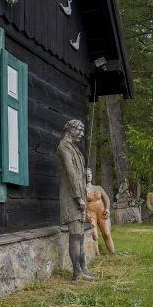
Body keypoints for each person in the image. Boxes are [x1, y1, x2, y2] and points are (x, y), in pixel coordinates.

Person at [56, 120, 96, 281]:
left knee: (80, 235)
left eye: (82, 130)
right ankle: (77, 273)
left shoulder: (74, 149)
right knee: (75, 235)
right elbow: (71, 176)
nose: (81, 133)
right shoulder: (64, 148)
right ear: (70, 130)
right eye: (79, 130)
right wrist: (79, 198)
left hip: (79, 197)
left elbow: (77, 174)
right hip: (72, 198)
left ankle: (83, 268)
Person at [85, 168, 115, 254]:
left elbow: (107, 199)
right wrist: (85, 214)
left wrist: (107, 209)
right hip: (91, 214)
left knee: (107, 234)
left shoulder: (98, 188)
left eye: (90, 174)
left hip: (102, 213)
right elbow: (81, 203)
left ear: (92, 175)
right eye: (86, 174)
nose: (88, 176)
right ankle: (97, 255)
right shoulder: (82, 190)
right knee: (95, 236)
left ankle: (112, 253)